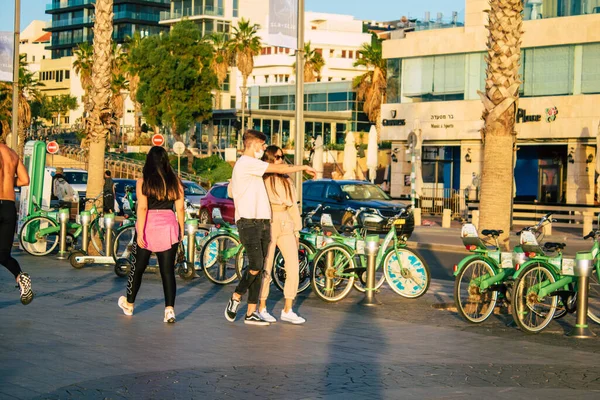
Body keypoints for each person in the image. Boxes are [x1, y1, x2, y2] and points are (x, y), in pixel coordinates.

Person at [225, 130, 316, 326]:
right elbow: (278, 169)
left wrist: (295, 229)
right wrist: (304, 166)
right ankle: (237, 295)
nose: (264, 148)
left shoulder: (256, 169)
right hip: (249, 222)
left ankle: (251, 313)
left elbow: (288, 197)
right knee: (258, 265)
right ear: (253, 144)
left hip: (263, 222)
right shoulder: (246, 163)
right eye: (263, 145)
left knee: (262, 267)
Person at [118, 146, 185, 323]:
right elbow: (179, 208)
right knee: (167, 271)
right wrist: (181, 229)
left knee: (137, 268)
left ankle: (130, 304)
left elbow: (142, 207)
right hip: (169, 225)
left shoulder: (143, 181)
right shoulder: (175, 181)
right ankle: (169, 310)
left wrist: (139, 230)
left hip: (149, 225)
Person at [257, 146, 305, 324]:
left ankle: (288, 308)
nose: (281, 160)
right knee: (266, 266)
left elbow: (293, 207)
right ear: (269, 159)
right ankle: (261, 307)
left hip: (286, 221)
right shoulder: (261, 178)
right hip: (268, 221)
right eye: (278, 157)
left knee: (293, 266)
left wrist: (296, 230)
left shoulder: (287, 180)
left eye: (282, 157)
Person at [0, 143, 33, 305]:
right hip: (8, 207)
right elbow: (25, 180)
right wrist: (7, 181)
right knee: (3, 254)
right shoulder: (12, 154)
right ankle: (20, 276)